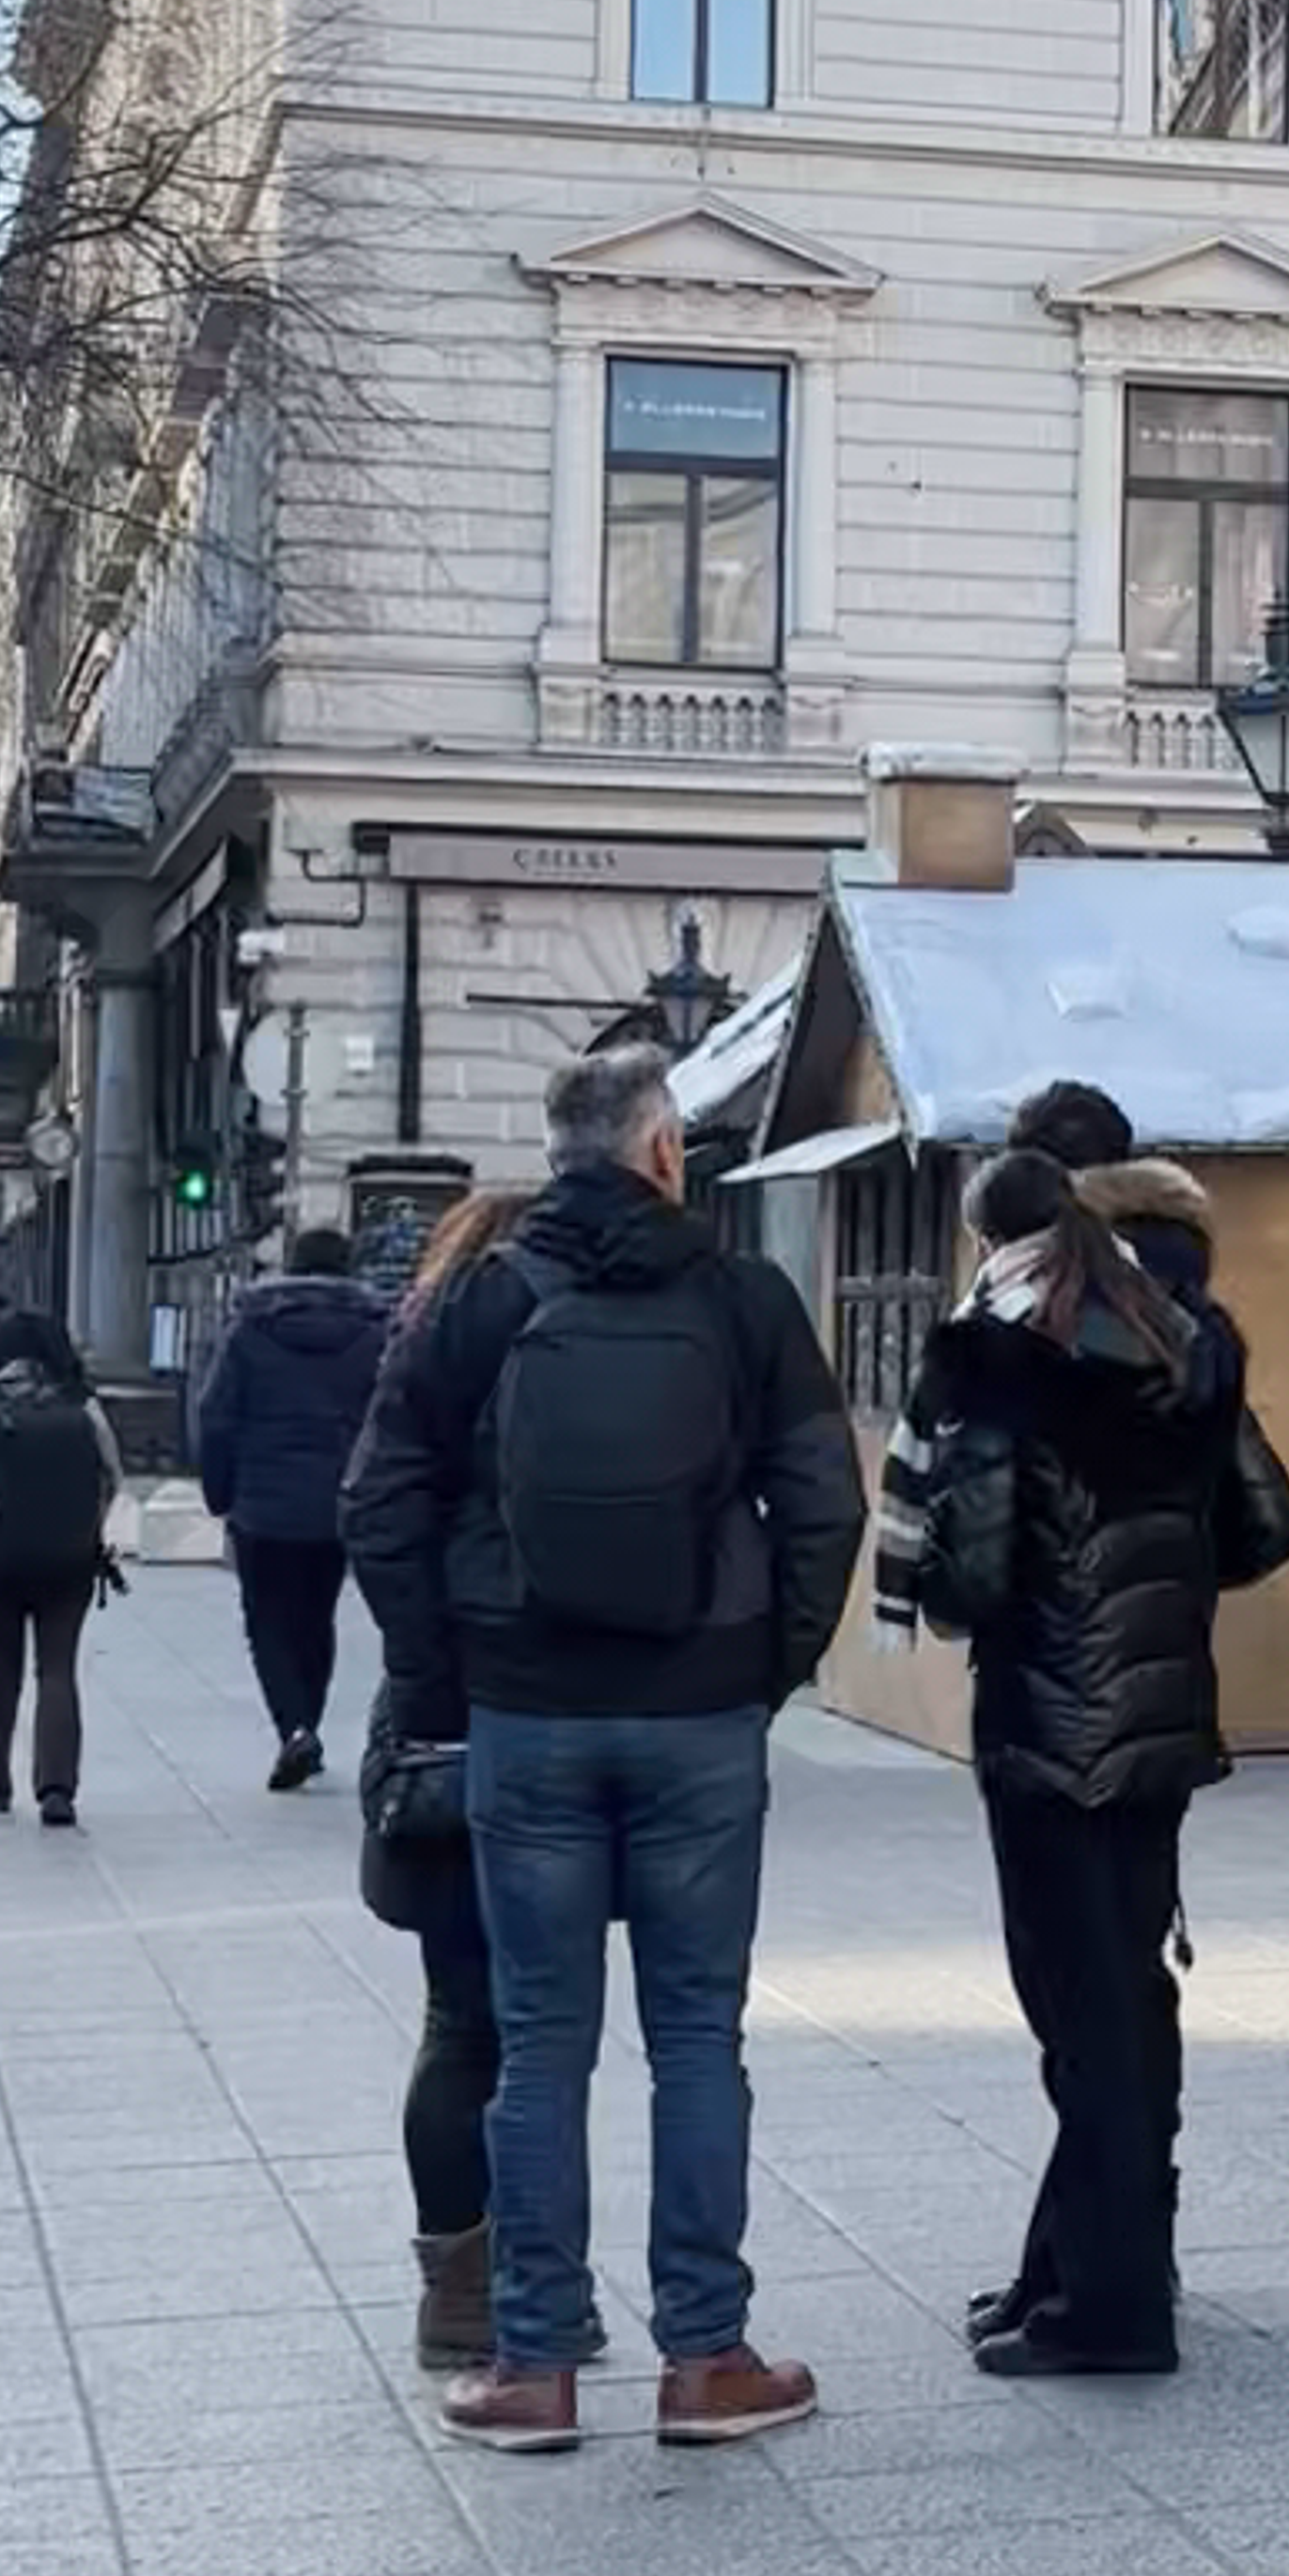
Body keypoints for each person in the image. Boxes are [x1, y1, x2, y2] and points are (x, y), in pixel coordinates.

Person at [342, 1036, 862, 2454]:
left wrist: (450, 1670)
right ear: (665, 1151)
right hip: (700, 1713)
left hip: (528, 1713)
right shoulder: (746, 1299)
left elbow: (378, 1495)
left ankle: (534, 2365)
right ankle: (707, 2359)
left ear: (557, 1150)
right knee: (699, 2033)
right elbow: (824, 1503)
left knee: (539, 2045)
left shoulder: (479, 1298)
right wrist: (766, 1667)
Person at [872, 1082, 1289, 2381]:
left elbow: (975, 1576)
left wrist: (961, 1565)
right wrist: (1155, 1571)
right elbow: (1270, 1524)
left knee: (1084, 2011)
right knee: (1127, 1995)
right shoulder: (1192, 1333)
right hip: (1162, 1719)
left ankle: (1111, 2307)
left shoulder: (1009, 1341)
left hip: (1051, 1726)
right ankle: (1081, 2263)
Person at [349, 1190, 551, 2374]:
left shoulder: (424, 1344)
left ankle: (456, 2289)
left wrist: (425, 1678)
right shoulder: (573, 1345)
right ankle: (529, 2279)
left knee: (459, 2016)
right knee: (537, 2025)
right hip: (553, 1702)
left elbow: (375, 1510)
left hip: (445, 1715)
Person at [194, 1224, 389, 1787]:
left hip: (261, 1503)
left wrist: (218, 1490)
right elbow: (389, 1413)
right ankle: (308, 1721)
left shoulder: (250, 1330)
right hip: (336, 1501)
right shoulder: (373, 1332)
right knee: (316, 1617)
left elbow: (216, 1415)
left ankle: (294, 1727)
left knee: (267, 1620)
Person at [0, 1312, 121, 1826]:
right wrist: (86, 1523)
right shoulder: (81, 1405)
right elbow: (112, 1475)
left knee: (0, 1666)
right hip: (69, 1561)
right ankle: (57, 1788)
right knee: (58, 1668)